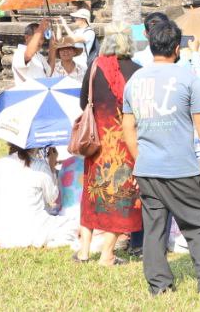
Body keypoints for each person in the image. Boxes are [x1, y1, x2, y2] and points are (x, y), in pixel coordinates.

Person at [121, 14, 200, 295]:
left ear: (151, 44)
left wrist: (140, 158)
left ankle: (159, 286)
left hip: (148, 169)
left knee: (154, 229)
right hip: (181, 168)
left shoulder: (134, 81)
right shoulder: (188, 78)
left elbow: (127, 126)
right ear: (177, 48)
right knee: (198, 223)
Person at [76, 28, 142, 265]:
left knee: (92, 194)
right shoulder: (137, 71)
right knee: (120, 196)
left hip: (97, 143)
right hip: (124, 143)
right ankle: (107, 254)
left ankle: (84, 251)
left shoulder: (94, 67)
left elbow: (83, 102)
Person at [0, 144, 77, 247]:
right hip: (32, 231)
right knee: (73, 224)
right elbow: (52, 197)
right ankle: (53, 243)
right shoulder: (40, 166)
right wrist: (52, 166)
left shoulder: (1, 162)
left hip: (3, 234)